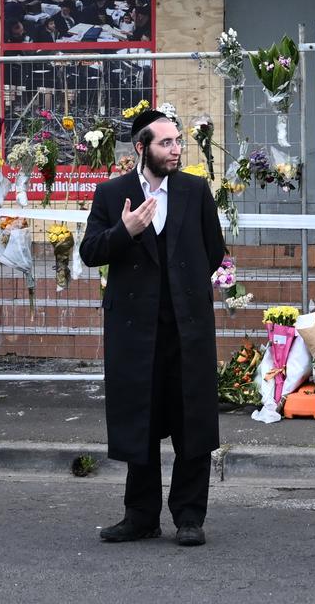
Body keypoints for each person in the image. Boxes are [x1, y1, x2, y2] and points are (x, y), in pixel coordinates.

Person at [79, 109, 226, 548]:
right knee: (138, 423)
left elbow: (214, 250)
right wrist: (124, 231)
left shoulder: (195, 190)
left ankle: (189, 516)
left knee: (191, 423)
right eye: (166, 143)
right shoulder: (112, 193)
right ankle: (140, 516)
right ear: (141, 148)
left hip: (187, 327)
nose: (176, 149)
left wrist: (185, 291)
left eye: (178, 141)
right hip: (134, 331)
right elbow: (90, 252)